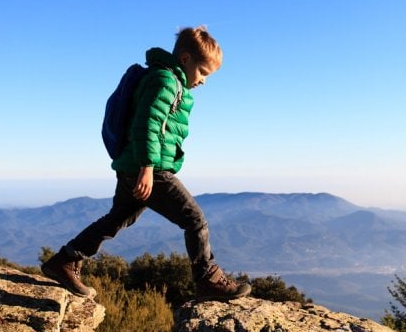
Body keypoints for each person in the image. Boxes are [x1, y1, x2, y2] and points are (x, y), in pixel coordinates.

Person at [41, 26, 251, 301]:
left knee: (116, 219)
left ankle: (65, 260)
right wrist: (148, 168)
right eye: (203, 72)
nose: (203, 82)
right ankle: (208, 279)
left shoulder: (168, 81)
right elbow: (147, 124)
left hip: (134, 167)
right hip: (149, 169)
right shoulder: (165, 81)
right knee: (195, 221)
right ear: (186, 59)